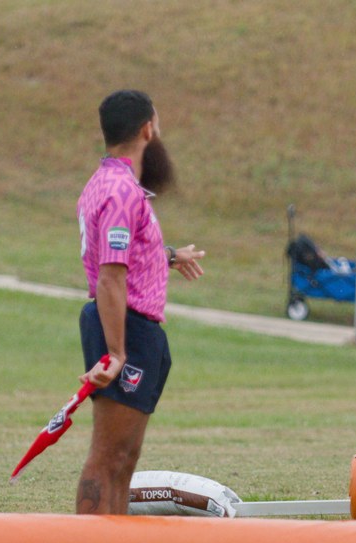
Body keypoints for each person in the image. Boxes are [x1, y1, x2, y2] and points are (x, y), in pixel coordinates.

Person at [75, 89, 205, 514]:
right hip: (123, 327)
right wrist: (116, 353)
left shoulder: (110, 183)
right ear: (148, 129)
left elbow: (123, 254)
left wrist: (168, 256)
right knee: (108, 456)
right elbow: (111, 276)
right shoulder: (121, 191)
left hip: (134, 327)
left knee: (125, 459)